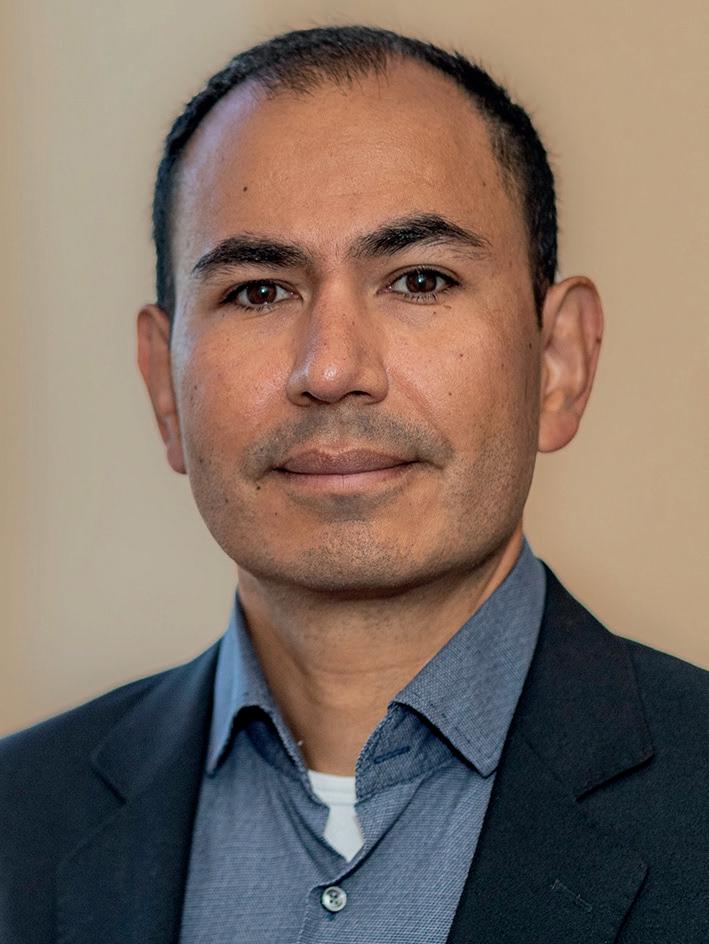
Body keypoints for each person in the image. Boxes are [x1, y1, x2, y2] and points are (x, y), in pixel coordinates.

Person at [1, 24, 707, 944]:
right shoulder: (19, 822)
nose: (332, 369)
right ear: (163, 386)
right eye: (258, 290)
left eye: (419, 280)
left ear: (558, 363)